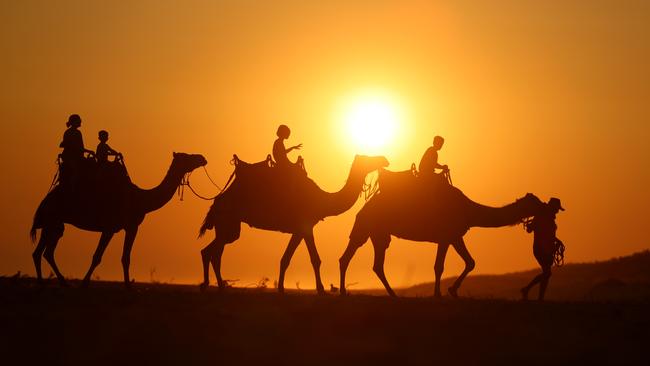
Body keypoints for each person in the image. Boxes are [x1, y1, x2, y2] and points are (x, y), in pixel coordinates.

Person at [521, 197, 565, 301]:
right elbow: (536, 231)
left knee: (547, 274)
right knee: (547, 273)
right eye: (557, 208)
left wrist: (556, 240)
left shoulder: (546, 217)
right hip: (541, 248)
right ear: (552, 207)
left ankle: (538, 297)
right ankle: (528, 290)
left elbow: (546, 233)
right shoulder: (542, 216)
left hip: (547, 248)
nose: (557, 211)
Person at [59, 114, 94, 188]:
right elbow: (79, 147)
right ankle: (73, 187)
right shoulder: (75, 133)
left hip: (72, 156)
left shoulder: (68, 132)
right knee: (76, 172)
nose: (80, 122)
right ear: (75, 122)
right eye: (79, 121)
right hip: (71, 157)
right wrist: (90, 151)